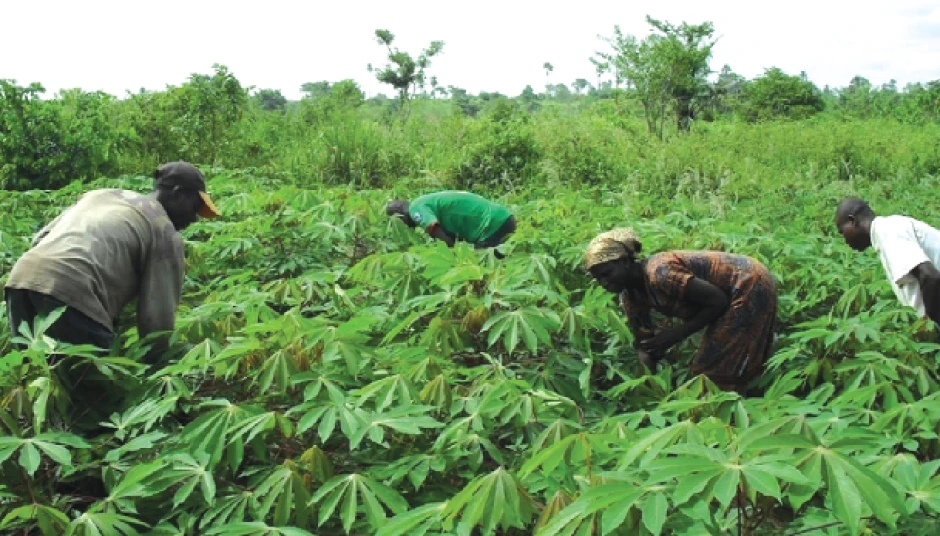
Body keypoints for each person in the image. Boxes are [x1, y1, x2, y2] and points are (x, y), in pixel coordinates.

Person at [5, 161, 220, 363]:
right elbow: (157, 323)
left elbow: (40, 238)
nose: (194, 218)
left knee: (31, 370)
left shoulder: (103, 196)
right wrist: (161, 369)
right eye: (194, 207)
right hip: (74, 286)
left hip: (22, 277)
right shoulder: (163, 230)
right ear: (177, 193)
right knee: (93, 382)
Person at [583, 228, 778, 394]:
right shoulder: (630, 299)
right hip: (730, 291)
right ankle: (748, 393)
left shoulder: (660, 273)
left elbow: (718, 301)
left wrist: (675, 335)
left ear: (625, 261)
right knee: (722, 361)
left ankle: (733, 410)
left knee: (710, 369)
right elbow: (645, 345)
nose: (604, 283)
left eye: (607, 273)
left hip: (748, 281)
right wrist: (646, 389)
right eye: (598, 279)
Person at [835, 197, 940, 325]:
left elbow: (930, 276)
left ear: (853, 221)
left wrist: (930, 325)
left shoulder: (888, 232)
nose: (845, 240)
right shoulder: (887, 231)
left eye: (842, 232)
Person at [385, 191, 516, 258]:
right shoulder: (423, 202)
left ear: (400, 216)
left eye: (398, 223)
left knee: (483, 271)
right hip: (502, 218)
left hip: (492, 225)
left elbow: (445, 241)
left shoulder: (415, 209)